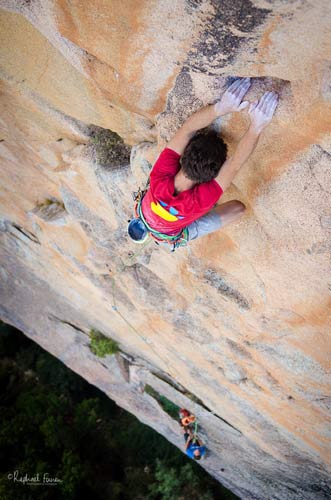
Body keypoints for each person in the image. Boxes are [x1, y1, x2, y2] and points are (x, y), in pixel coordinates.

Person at [132, 77, 278, 249]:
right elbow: (189, 130)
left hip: (164, 224)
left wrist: (257, 125)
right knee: (238, 208)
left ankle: (150, 226)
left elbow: (233, 165)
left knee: (238, 209)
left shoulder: (193, 196)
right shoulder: (161, 178)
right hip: (153, 215)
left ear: (185, 155)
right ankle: (150, 224)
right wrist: (222, 108)